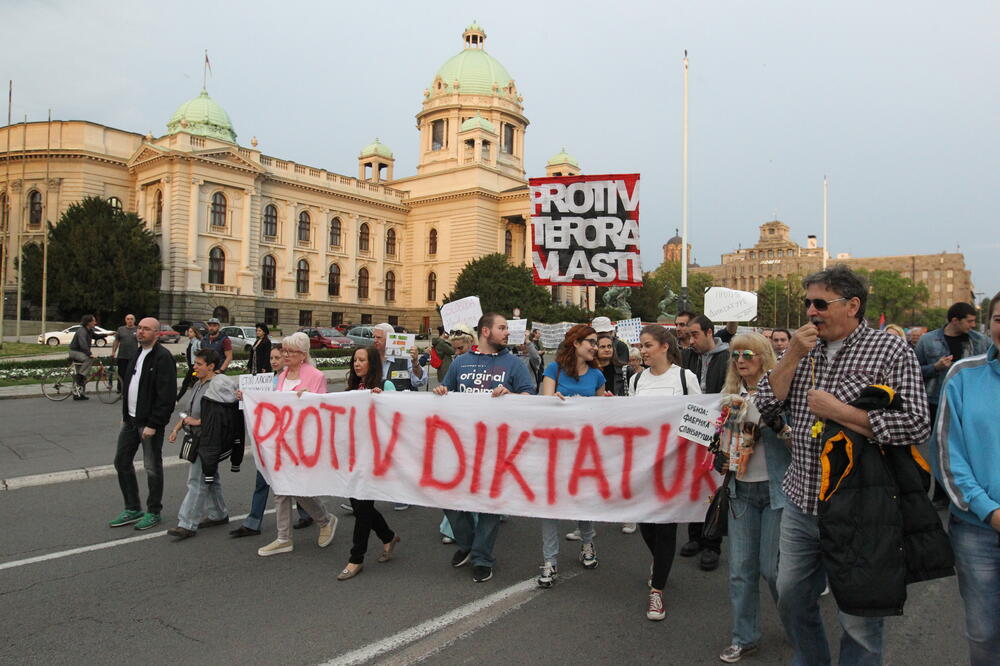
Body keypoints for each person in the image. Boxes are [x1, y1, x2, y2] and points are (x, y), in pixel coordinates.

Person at [755, 265, 930, 665]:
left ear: (853, 305)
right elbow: (766, 403)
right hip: (802, 501)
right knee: (791, 598)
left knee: (860, 619)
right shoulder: (801, 349)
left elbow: (917, 423)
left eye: (820, 303)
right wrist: (792, 355)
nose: (811, 312)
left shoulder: (890, 349)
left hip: (861, 508)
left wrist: (841, 412)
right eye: (807, 304)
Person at [433, 312, 537, 583]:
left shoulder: (514, 364)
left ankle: (481, 557)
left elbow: (531, 398)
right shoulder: (461, 363)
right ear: (486, 332)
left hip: (497, 448)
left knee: (489, 506)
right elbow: (446, 392)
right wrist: (442, 393)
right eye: (502, 328)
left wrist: (512, 396)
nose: (507, 333)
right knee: (450, 500)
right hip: (461, 447)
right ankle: (467, 543)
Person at [933, 291, 1000, 665]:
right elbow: (947, 454)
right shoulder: (963, 375)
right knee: (984, 632)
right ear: (989, 325)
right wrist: (989, 511)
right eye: (999, 318)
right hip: (978, 529)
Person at [717, 333, 792, 663]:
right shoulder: (730, 396)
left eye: (748, 353)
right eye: (735, 355)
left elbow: (799, 442)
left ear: (763, 356)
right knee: (740, 570)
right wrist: (718, 453)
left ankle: (797, 623)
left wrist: (779, 425)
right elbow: (720, 440)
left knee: (773, 570)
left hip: (776, 491)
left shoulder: (779, 391)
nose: (740, 360)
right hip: (741, 491)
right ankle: (744, 636)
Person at [629, 325, 700, 621]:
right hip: (644, 464)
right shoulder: (636, 380)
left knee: (666, 527)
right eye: (641, 346)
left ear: (664, 347)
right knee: (647, 525)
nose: (643, 351)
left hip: (674, 465)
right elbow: (630, 420)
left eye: (648, 345)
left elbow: (700, 417)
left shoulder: (685, 377)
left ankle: (657, 591)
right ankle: (660, 563)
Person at [537, 324, 607, 588]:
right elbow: (544, 406)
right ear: (575, 344)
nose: (595, 346)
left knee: (583, 501)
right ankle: (549, 560)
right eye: (590, 341)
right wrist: (552, 401)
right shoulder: (553, 370)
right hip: (555, 449)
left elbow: (601, 417)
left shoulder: (597, 376)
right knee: (550, 505)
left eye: (596, 342)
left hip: (584, 451)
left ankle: (587, 543)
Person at [257, 332, 338, 557]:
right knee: (281, 488)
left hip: (303, 442)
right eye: (284, 350)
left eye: (289, 351)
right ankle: (284, 537)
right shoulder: (282, 375)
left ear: (302, 355)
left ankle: (324, 520)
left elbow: (322, 407)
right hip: (281, 439)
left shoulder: (316, 376)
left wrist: (310, 396)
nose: (285, 355)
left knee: (300, 488)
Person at [230, 345, 313, 537]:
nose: (275, 361)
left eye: (278, 357)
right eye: (272, 358)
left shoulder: (289, 380)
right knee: (263, 480)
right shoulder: (267, 379)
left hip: (287, 440)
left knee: (293, 481)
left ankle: (307, 513)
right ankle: (253, 523)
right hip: (268, 439)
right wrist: (245, 396)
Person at [336, 346, 401, 581]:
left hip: (374, 458)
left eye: (362, 360)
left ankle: (356, 558)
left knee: (362, 507)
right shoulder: (352, 390)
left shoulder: (384, 387)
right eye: (355, 360)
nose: (357, 364)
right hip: (353, 454)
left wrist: (381, 401)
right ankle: (388, 536)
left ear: (372, 363)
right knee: (358, 505)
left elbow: (395, 418)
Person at [109, 317, 177, 531]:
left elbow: (166, 397)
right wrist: (126, 415)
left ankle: (153, 511)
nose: (140, 332)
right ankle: (132, 508)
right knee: (121, 461)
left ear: (157, 333)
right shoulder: (137, 354)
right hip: (131, 420)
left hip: (149, 424)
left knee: (152, 467)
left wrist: (154, 424)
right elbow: (130, 385)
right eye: (139, 328)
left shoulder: (163, 357)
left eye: (146, 329)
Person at [166, 348, 242, 539]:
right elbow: (188, 414)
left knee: (196, 480)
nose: (194, 367)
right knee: (210, 477)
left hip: (209, 440)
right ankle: (219, 514)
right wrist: (177, 427)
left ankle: (187, 523)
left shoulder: (218, 386)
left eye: (199, 364)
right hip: (198, 438)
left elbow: (222, 416)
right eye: (195, 363)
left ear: (211, 366)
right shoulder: (198, 384)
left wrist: (198, 422)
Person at [680, 314, 730, 570]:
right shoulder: (688, 357)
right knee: (695, 481)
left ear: (710, 332)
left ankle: (712, 543)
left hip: (720, 427)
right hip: (694, 426)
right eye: (689, 336)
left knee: (714, 484)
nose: (691, 340)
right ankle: (695, 536)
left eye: (695, 335)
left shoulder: (729, 357)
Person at [915, 302, 989, 426]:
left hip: (967, 401)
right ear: (955, 320)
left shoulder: (979, 340)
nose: (973, 325)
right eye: (969, 321)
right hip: (935, 402)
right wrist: (935, 367)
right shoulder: (927, 340)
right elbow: (913, 372)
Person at [373, 322, 426, 392]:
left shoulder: (404, 358)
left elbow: (419, 381)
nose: (375, 340)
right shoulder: (371, 357)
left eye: (379, 337)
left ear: (390, 339)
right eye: (374, 337)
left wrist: (415, 362)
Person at [68, 314, 105, 400]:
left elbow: (96, 336)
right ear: (89, 322)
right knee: (89, 359)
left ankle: (78, 394)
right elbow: (83, 344)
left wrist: (107, 334)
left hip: (81, 353)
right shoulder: (82, 331)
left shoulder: (89, 330)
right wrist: (89, 354)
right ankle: (80, 377)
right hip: (75, 352)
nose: (95, 322)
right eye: (94, 321)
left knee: (81, 373)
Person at [111, 314, 138, 393]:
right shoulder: (120, 329)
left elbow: (142, 341)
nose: (130, 320)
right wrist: (113, 352)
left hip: (133, 356)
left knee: (131, 373)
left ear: (134, 320)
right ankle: (120, 389)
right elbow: (116, 341)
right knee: (121, 373)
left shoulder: (137, 329)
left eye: (131, 319)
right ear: (125, 320)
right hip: (122, 355)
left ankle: (130, 389)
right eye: (128, 319)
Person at [176, 324, 203, 402]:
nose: (189, 333)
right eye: (188, 331)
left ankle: (177, 399)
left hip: (195, 368)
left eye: (191, 332)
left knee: (187, 383)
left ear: (195, 333)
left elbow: (200, 354)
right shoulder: (190, 342)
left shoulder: (197, 342)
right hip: (192, 367)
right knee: (195, 384)